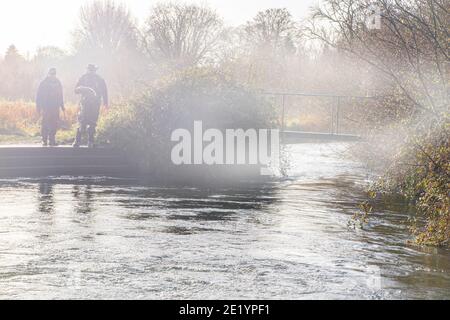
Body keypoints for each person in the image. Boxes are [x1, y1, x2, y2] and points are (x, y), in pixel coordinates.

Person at [73, 64, 108, 148]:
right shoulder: (84, 78)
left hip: (94, 104)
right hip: (86, 104)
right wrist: (85, 89)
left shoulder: (99, 79)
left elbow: (104, 91)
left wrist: (105, 102)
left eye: (92, 70)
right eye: (91, 70)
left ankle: (89, 141)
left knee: (91, 122)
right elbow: (76, 90)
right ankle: (78, 142)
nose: (91, 71)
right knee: (83, 121)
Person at [36, 68, 65, 146]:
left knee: (54, 123)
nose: (53, 75)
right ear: (48, 74)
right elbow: (38, 96)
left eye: (54, 74)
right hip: (46, 107)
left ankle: (52, 140)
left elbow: (61, 95)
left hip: (55, 107)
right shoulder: (43, 83)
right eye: (51, 74)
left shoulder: (58, 82)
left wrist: (62, 105)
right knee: (45, 123)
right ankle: (44, 140)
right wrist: (38, 107)